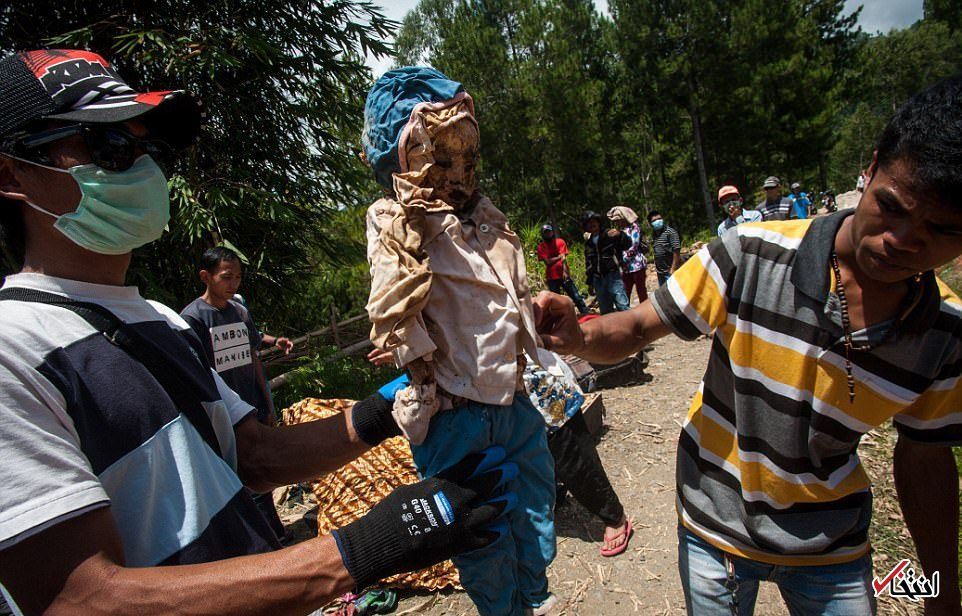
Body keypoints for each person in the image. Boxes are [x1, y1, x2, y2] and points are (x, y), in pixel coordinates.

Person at [0, 49, 513, 615]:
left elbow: (256, 457)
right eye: (110, 148)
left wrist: (390, 406)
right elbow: (79, 599)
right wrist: (369, 547)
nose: (143, 170)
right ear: (10, 173)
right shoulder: (14, 349)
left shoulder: (160, 323)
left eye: (151, 150)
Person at [533, 74, 962, 615]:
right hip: (715, 527)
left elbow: (925, 457)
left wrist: (943, 591)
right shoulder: (750, 254)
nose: (904, 240)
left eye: (942, 230)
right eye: (893, 207)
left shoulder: (945, 333)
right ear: (871, 169)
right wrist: (578, 334)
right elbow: (640, 326)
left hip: (832, 546)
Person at [362, 67, 558, 616]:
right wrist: (405, 343)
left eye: (467, 159)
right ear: (403, 158)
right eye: (439, 160)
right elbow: (392, 298)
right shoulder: (392, 219)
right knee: (478, 528)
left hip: (512, 396)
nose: (458, 174)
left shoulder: (483, 215)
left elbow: (508, 285)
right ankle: (506, 609)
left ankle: (533, 595)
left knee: (535, 505)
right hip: (452, 409)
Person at [180, 246, 293, 542]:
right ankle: (262, 539)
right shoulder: (193, 319)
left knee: (260, 469)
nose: (234, 284)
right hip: (223, 412)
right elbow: (198, 372)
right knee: (238, 474)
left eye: (238, 277)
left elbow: (253, 355)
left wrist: (266, 400)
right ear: (206, 276)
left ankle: (272, 534)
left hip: (251, 402)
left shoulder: (239, 311)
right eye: (227, 277)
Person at [583, 210, 631, 314]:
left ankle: (633, 328)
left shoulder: (609, 234)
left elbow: (627, 244)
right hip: (597, 279)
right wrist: (590, 283)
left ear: (599, 222)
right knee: (605, 310)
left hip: (612, 275)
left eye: (594, 221)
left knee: (622, 306)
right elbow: (589, 264)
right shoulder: (588, 244)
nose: (592, 224)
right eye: (589, 223)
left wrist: (620, 235)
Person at [536, 224, 589, 315]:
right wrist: (559, 257)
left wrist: (565, 271)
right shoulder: (541, 247)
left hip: (563, 274)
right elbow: (548, 262)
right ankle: (561, 318)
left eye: (549, 232)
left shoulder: (560, 242)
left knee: (576, 296)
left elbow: (564, 259)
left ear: (552, 232)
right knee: (556, 301)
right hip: (551, 277)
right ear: (543, 234)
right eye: (546, 233)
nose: (548, 234)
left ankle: (586, 314)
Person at [607, 205, 649, 305]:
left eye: (618, 220)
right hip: (626, 267)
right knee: (626, 290)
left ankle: (645, 311)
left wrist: (621, 260)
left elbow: (633, 246)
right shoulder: (620, 231)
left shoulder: (634, 228)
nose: (617, 222)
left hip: (637, 265)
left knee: (641, 290)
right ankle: (626, 311)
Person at [648, 210, 681, 286]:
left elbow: (676, 251)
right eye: (654, 220)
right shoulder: (654, 235)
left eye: (659, 219)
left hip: (670, 271)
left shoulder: (670, 232)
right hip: (660, 273)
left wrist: (673, 269)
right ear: (650, 224)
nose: (658, 221)